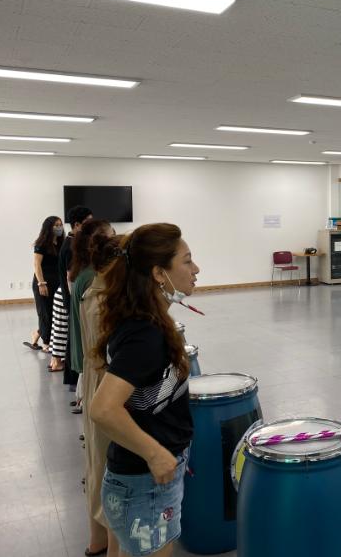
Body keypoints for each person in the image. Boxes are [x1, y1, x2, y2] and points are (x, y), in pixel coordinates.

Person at [90, 223, 199, 557]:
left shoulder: (142, 321)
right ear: (159, 273)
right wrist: (155, 453)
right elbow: (102, 409)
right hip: (145, 484)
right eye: (187, 261)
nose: (196, 269)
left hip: (133, 480)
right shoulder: (145, 335)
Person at [77, 224, 119, 557]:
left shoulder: (92, 292)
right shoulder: (104, 303)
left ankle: (98, 540)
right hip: (106, 388)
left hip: (96, 383)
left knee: (96, 462)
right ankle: (107, 538)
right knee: (107, 466)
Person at [70, 219, 115, 414]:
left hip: (87, 352)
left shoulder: (86, 272)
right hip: (91, 354)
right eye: (113, 235)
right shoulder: (91, 278)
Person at [49, 205, 93, 373]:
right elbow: (70, 278)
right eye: (88, 222)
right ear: (77, 225)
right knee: (68, 335)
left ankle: (63, 365)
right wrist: (76, 302)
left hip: (67, 295)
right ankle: (68, 369)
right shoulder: (70, 246)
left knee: (66, 333)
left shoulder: (73, 242)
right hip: (67, 295)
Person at [24, 216, 64, 351]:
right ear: (49, 227)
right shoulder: (41, 244)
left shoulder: (61, 243)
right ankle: (46, 343)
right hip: (43, 282)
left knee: (54, 313)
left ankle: (37, 334)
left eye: (60, 225)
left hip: (57, 282)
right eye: (56, 225)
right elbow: (37, 265)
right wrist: (41, 283)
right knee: (45, 313)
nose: (59, 228)